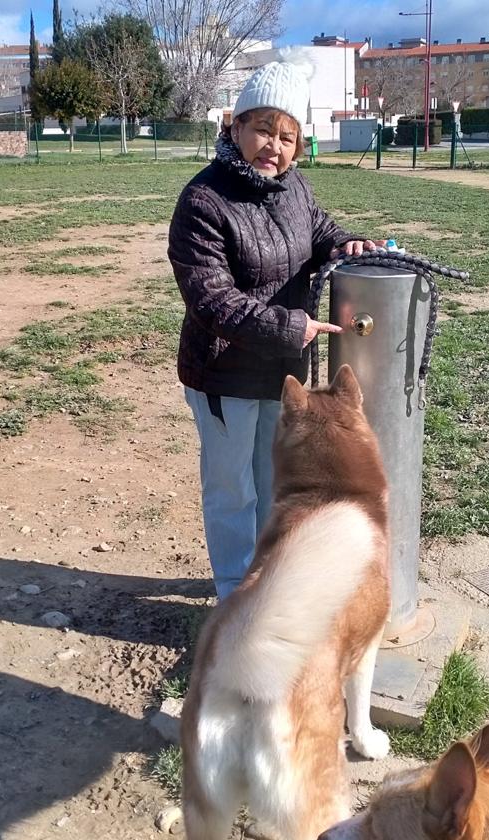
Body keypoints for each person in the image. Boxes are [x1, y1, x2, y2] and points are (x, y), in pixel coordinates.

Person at [168, 59, 378, 600]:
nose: (274, 147)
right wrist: (292, 326)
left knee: (271, 484)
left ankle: (265, 580)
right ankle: (236, 595)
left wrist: (346, 243)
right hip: (224, 374)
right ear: (235, 127)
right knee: (231, 489)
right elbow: (212, 299)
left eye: (288, 136)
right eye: (263, 128)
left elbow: (321, 231)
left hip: (281, 372)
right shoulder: (202, 202)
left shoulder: (295, 189)